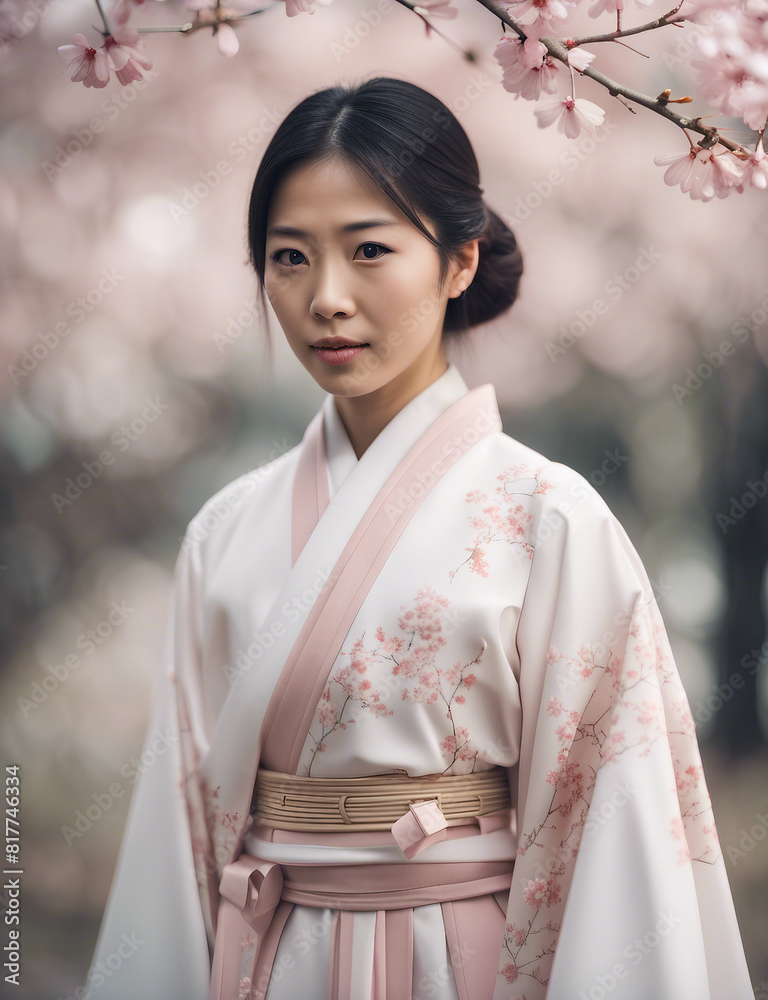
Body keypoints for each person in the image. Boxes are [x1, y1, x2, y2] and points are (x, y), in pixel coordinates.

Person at [84, 77, 754, 1000]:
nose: (326, 298)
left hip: (459, 964)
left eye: (369, 249)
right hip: (268, 962)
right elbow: (175, 828)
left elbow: (611, 818)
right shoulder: (224, 531)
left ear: (459, 260)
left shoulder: (548, 517)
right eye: (288, 258)